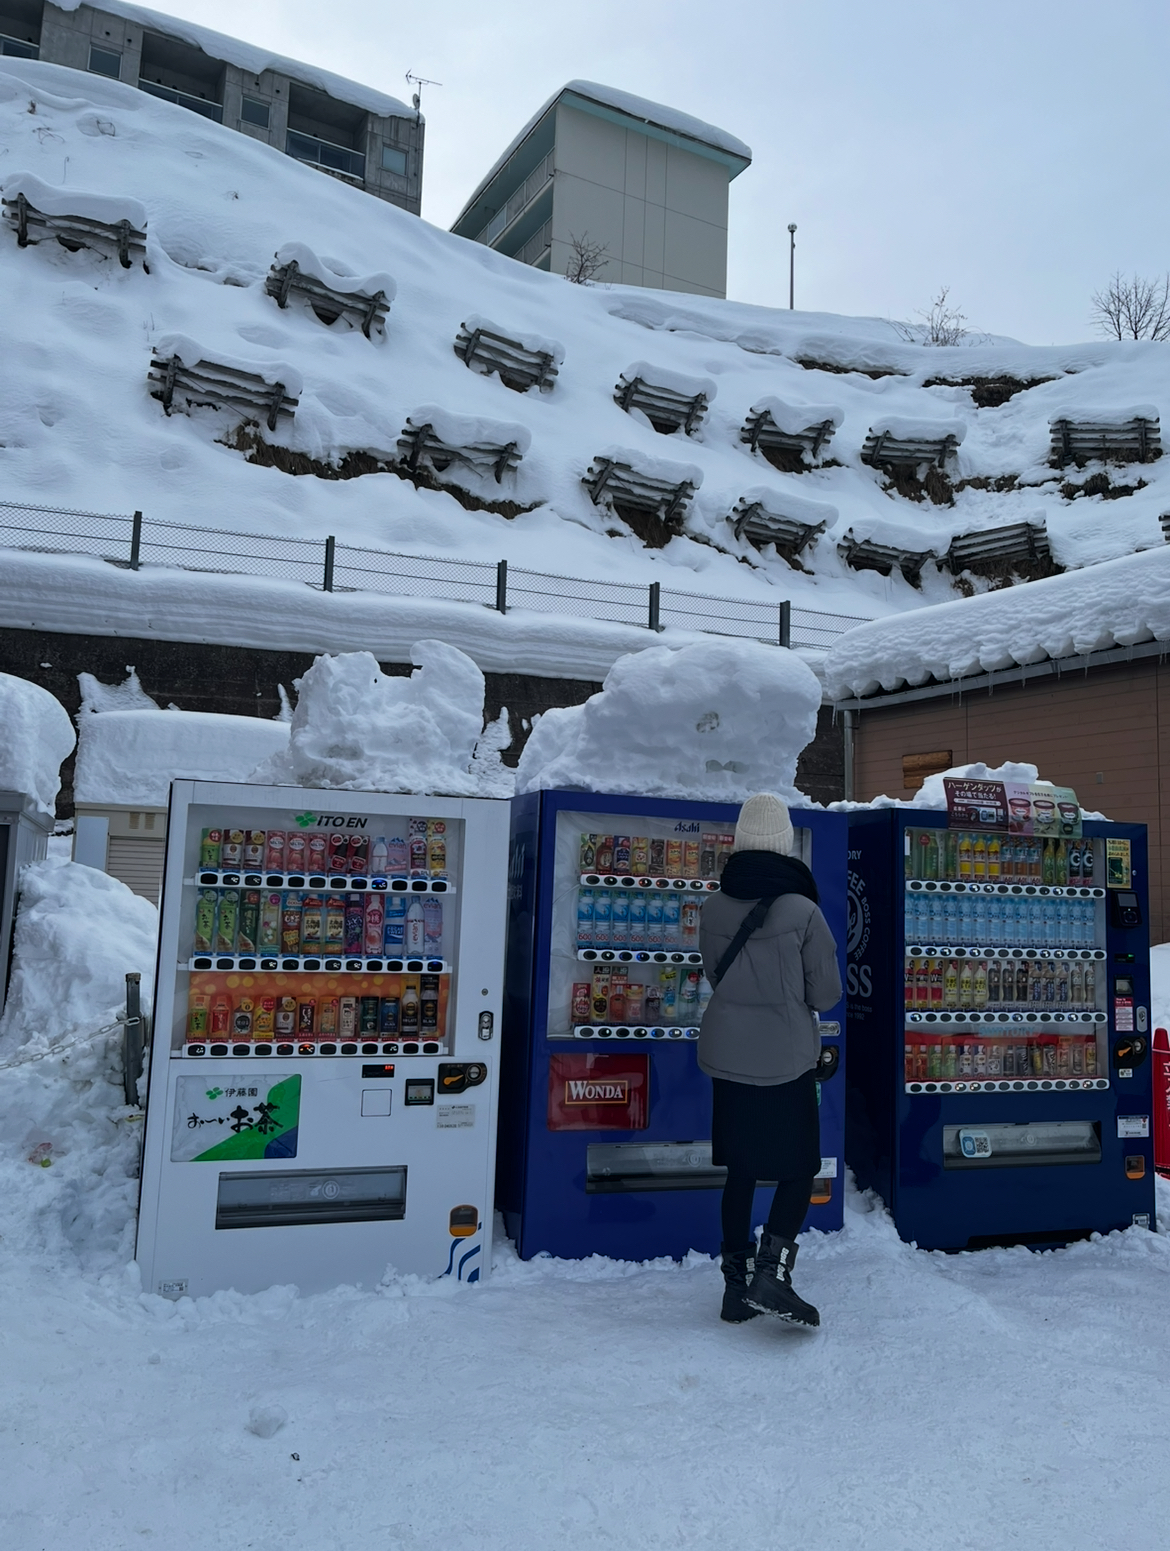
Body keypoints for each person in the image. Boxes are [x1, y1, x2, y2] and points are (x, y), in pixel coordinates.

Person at [698, 792, 842, 1327]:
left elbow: (714, 973)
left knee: (740, 1170)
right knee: (799, 1168)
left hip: (727, 1053)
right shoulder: (803, 910)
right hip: (785, 1057)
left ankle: (735, 1289)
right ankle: (772, 1275)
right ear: (785, 846)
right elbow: (826, 994)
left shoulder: (714, 905)